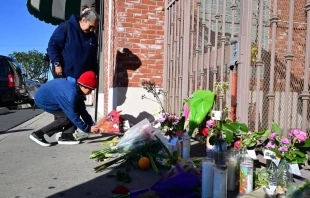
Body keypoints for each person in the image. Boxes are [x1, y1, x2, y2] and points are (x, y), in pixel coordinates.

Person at [30, 71, 99, 146]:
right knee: (66, 117)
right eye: (91, 89)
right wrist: (88, 129)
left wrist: (91, 124)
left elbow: (82, 110)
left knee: (74, 112)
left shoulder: (77, 89)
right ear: (84, 86)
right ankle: (38, 134)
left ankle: (66, 136)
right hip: (43, 99)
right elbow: (73, 115)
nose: (91, 92)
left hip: (52, 96)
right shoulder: (71, 94)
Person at [48, 6, 99, 79]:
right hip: (64, 76)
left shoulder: (92, 37)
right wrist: (57, 64)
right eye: (91, 26)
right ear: (84, 20)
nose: (91, 30)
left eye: (94, 28)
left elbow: (93, 57)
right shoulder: (66, 27)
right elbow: (53, 46)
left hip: (82, 81)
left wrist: (93, 74)